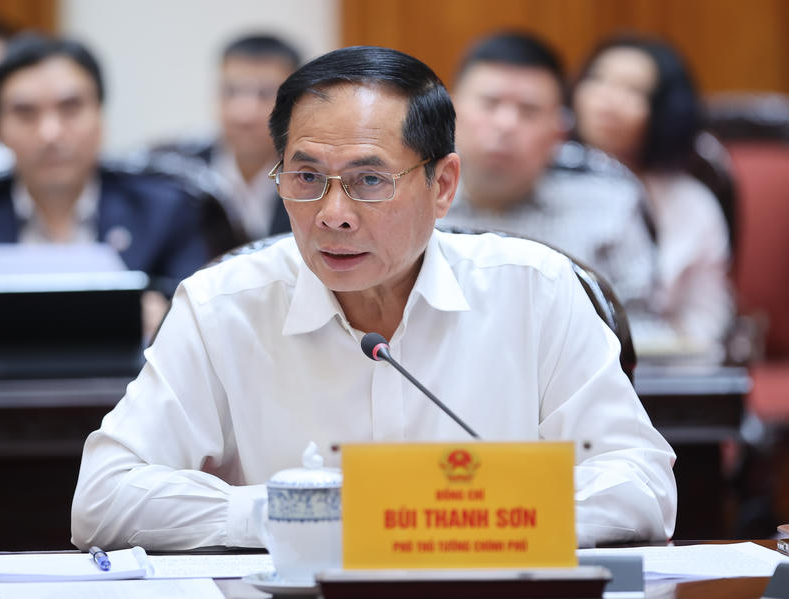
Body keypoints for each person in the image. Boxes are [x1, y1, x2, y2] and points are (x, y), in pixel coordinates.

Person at [71, 45, 676, 551]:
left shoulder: (536, 290)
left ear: (442, 185)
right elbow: (103, 499)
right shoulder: (221, 306)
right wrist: (307, 514)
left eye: (369, 180)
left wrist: (462, 516)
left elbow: (641, 484)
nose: (333, 214)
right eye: (307, 177)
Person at [0, 34, 238, 350]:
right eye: (25, 113)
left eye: (70, 108)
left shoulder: (163, 210)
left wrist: (170, 328)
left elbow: (212, 338)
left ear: (100, 118)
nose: (50, 133)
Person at [441, 32, 657, 314]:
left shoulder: (610, 202)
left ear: (559, 129)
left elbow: (639, 324)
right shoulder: (409, 193)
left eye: (528, 110)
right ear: (451, 113)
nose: (506, 124)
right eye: (490, 103)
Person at [571, 35, 734, 357]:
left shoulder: (692, 203)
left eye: (634, 90)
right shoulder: (543, 183)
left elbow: (705, 322)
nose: (608, 99)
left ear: (665, 109)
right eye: (597, 79)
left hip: (657, 366)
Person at [141, 34, 301, 241]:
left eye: (266, 94)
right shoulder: (174, 173)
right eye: (230, 91)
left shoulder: (312, 177)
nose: (243, 113)